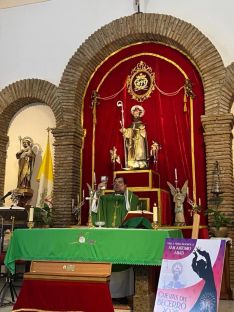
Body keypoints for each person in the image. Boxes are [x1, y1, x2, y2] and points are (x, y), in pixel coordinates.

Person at [92, 176, 140, 303]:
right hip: (107, 239)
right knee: (108, 264)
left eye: (120, 183)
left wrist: (126, 194)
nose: (117, 185)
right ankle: (106, 294)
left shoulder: (130, 198)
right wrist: (97, 192)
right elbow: (95, 207)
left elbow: (133, 207)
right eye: (115, 183)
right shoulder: (106, 199)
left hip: (123, 239)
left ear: (125, 185)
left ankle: (123, 295)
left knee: (122, 263)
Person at [121, 105, 149, 169]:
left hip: (139, 141)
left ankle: (141, 163)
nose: (135, 113)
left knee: (140, 151)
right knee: (132, 152)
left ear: (139, 113)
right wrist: (125, 131)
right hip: (132, 142)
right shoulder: (132, 124)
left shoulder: (141, 124)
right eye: (134, 112)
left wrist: (140, 131)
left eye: (137, 112)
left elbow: (143, 134)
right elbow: (130, 132)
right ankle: (133, 164)